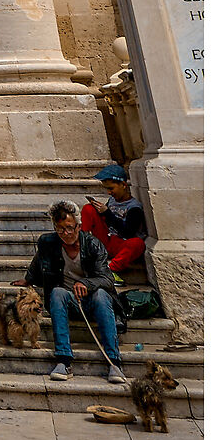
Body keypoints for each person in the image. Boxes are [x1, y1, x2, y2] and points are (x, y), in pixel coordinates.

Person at [24, 201, 126, 384]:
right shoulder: (48, 243)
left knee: (102, 295)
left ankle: (114, 362)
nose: (67, 234)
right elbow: (37, 262)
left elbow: (108, 279)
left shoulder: (93, 244)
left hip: (93, 301)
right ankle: (64, 360)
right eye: (61, 229)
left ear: (78, 226)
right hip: (68, 301)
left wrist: (86, 283)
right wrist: (28, 279)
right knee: (56, 293)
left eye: (70, 228)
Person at [83, 164, 149, 280]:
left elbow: (128, 232)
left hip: (122, 245)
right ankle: (82, 245)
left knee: (138, 244)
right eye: (107, 189)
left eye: (111, 188)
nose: (109, 192)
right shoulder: (112, 200)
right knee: (89, 208)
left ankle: (110, 270)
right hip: (108, 240)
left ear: (123, 185)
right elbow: (105, 222)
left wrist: (107, 213)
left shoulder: (134, 207)